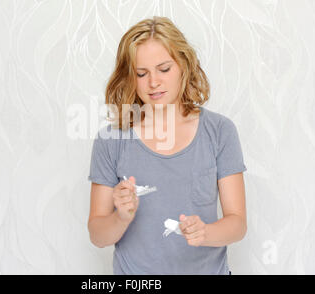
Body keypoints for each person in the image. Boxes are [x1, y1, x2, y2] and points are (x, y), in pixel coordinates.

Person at [87, 16, 247, 275]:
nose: (153, 82)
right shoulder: (111, 141)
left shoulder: (219, 131)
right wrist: (121, 217)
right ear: (130, 77)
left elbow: (237, 224)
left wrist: (205, 232)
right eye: (141, 73)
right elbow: (98, 235)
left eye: (164, 69)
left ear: (183, 66)